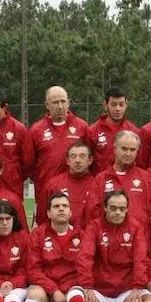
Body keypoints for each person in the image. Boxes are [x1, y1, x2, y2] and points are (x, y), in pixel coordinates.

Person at [76, 191, 151, 302]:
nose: (118, 212)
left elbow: (141, 260)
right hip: (99, 290)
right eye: (113, 208)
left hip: (127, 290)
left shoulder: (136, 228)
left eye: (122, 208)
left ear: (127, 209)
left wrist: (137, 287)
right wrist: (87, 287)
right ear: (105, 207)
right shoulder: (94, 227)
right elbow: (84, 257)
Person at [29, 86, 89, 221]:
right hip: (47, 193)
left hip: (76, 193)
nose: (60, 106)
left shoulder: (82, 127)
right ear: (47, 105)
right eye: (55, 102)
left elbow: (89, 158)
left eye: (63, 101)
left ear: (68, 103)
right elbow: (29, 165)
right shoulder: (36, 130)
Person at [85, 130, 151, 225]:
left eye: (132, 150)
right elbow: (92, 214)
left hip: (139, 237)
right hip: (108, 237)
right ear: (115, 149)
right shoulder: (101, 179)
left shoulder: (146, 177)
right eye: (124, 149)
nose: (128, 154)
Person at [0, 200, 40, 302]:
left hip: (17, 286)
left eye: (8, 218)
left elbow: (27, 268)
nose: (5, 223)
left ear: (13, 219)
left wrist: (12, 284)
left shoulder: (24, 237)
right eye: (0, 219)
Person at [27, 193, 85, 302]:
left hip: (72, 286)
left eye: (65, 206)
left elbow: (85, 268)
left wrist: (67, 288)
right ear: (48, 213)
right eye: (56, 206)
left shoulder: (82, 235)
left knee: (77, 297)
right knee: (34, 296)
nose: (61, 209)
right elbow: (33, 270)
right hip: (45, 287)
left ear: (70, 212)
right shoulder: (37, 235)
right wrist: (54, 290)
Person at [36, 141, 95, 227]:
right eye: (73, 156)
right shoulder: (53, 184)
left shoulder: (98, 184)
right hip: (60, 238)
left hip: (89, 237)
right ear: (67, 161)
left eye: (82, 156)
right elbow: (42, 218)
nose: (77, 160)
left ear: (90, 160)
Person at [87, 87, 138, 173]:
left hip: (126, 183)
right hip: (101, 183)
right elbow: (87, 161)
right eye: (113, 105)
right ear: (105, 105)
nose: (118, 109)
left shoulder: (134, 131)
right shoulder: (92, 131)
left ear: (126, 105)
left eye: (121, 104)